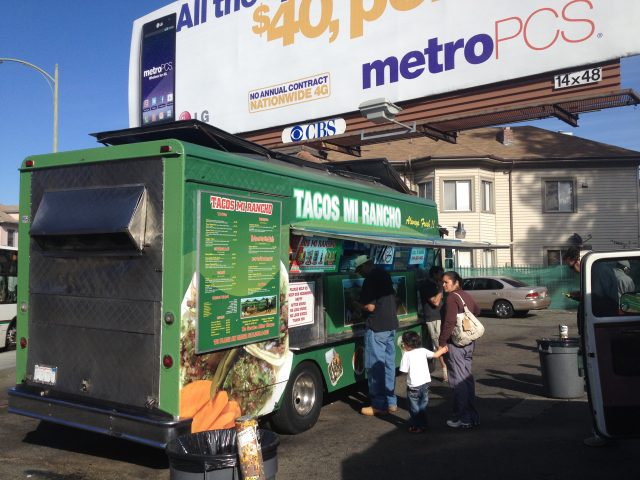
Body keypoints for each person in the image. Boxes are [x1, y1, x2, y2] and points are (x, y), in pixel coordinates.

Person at [354, 255, 400, 416]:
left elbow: (371, 307)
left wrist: (357, 304)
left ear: (365, 266)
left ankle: (378, 404)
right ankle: (391, 401)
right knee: (388, 365)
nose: (359, 274)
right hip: (391, 325)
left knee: (375, 367)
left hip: (377, 327)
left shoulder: (370, 279)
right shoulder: (384, 274)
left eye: (359, 270)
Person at [438, 271, 481, 429]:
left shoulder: (451, 298)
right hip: (469, 342)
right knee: (467, 379)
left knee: (458, 382)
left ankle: (464, 418)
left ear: (456, 282)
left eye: (446, 282)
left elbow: (449, 322)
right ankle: (472, 416)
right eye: (442, 282)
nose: (443, 285)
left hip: (455, 344)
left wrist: (442, 342)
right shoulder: (465, 295)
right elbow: (477, 310)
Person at [399, 330, 448, 433]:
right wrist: (443, 350)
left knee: (414, 408)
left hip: (413, 386)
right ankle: (424, 424)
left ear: (406, 344)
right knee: (422, 406)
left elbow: (403, 370)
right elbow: (435, 355)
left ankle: (417, 426)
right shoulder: (423, 350)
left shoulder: (406, 355)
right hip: (425, 383)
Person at [419, 265, 448, 382]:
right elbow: (435, 302)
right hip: (433, 318)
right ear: (434, 274)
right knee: (438, 344)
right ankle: (445, 369)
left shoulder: (436, 284)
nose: (442, 277)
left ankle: (446, 368)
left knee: (442, 342)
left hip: (439, 316)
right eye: (441, 274)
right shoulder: (428, 285)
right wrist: (441, 289)